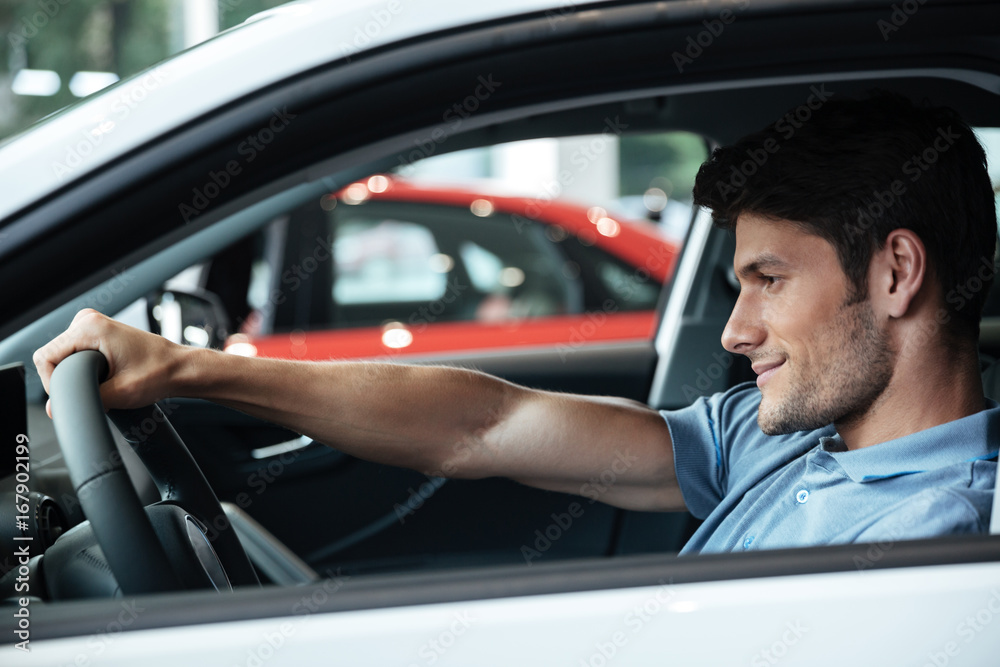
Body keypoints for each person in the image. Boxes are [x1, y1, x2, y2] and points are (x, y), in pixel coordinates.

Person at [33, 92, 998, 554]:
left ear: (895, 271)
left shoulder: (934, 537)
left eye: (769, 279)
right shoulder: (783, 438)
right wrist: (194, 370)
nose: (736, 331)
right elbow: (483, 425)